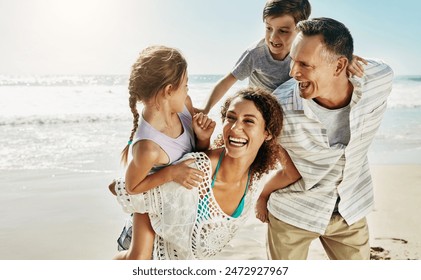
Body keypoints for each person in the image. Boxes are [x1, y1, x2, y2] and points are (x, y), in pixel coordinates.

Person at [256, 17, 394, 260]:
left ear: (340, 66)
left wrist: (349, 57)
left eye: (305, 65)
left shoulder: (375, 81)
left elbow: (382, 68)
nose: (293, 72)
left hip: (349, 209)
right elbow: (250, 150)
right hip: (294, 211)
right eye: (293, 61)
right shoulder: (279, 107)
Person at [112, 87, 299, 259]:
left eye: (249, 121)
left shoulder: (255, 179)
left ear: (267, 133)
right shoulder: (196, 170)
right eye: (231, 118)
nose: (234, 128)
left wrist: (263, 196)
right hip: (151, 246)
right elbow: (120, 188)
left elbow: (291, 173)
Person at [111, 45, 216, 260]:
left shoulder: (184, 107)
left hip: (179, 212)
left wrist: (203, 137)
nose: (188, 91)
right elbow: (132, 187)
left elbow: (197, 155)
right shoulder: (148, 147)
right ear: (169, 90)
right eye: (185, 86)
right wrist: (171, 173)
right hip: (154, 214)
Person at [199, 0, 311, 114]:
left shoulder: (303, 53)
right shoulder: (255, 54)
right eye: (268, 28)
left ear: (300, 30)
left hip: (288, 110)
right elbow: (226, 82)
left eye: (283, 31)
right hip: (260, 110)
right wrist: (205, 108)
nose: (273, 37)